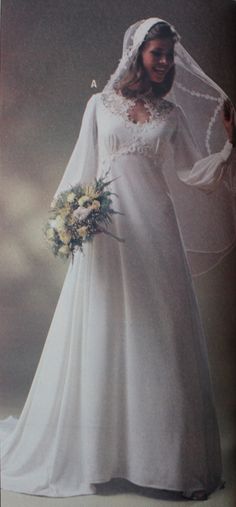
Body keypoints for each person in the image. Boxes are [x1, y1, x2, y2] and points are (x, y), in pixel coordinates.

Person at [0, 16, 235, 502]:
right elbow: (79, 168)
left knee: (157, 337)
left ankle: (161, 463)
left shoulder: (170, 115)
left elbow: (194, 172)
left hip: (157, 237)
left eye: (169, 53)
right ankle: (99, 456)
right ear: (137, 53)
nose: (165, 61)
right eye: (157, 52)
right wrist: (71, 221)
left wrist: (230, 145)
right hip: (107, 234)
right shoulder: (99, 106)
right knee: (105, 332)